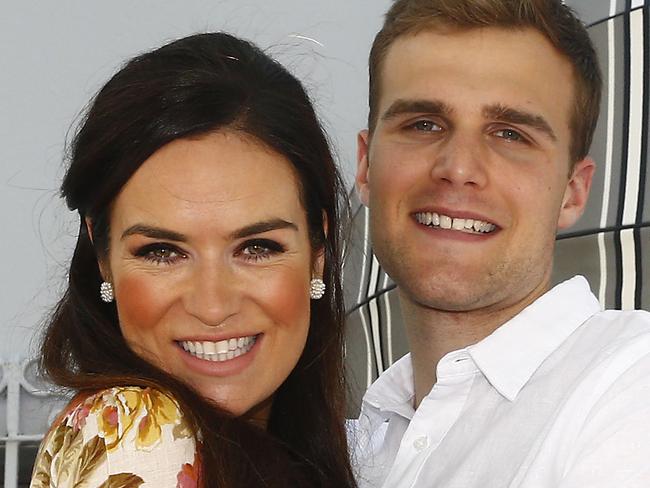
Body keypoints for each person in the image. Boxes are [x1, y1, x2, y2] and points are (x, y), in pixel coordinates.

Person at [30, 32, 357, 488]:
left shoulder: (309, 454)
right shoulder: (136, 434)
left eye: (257, 247)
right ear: (101, 255)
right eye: (162, 252)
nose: (212, 304)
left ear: (317, 251)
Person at [351, 0, 650, 486]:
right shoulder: (354, 444)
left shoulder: (631, 383)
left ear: (573, 192)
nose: (459, 167)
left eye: (510, 134)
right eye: (423, 124)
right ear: (365, 167)